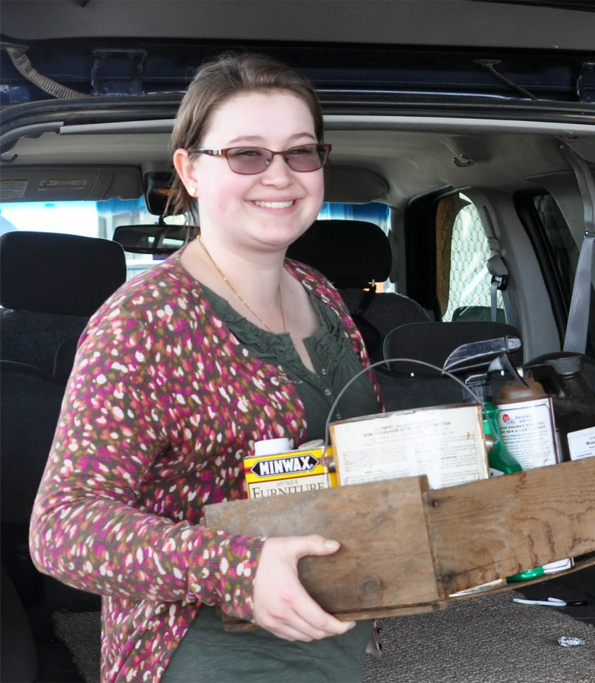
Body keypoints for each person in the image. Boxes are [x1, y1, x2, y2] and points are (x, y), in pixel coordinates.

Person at [29, 53, 384, 683]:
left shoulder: (321, 294)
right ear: (190, 170)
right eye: (247, 154)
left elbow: (360, 460)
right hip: (203, 655)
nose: (280, 176)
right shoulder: (145, 320)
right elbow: (61, 526)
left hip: (330, 636)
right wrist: (240, 568)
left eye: (301, 152)